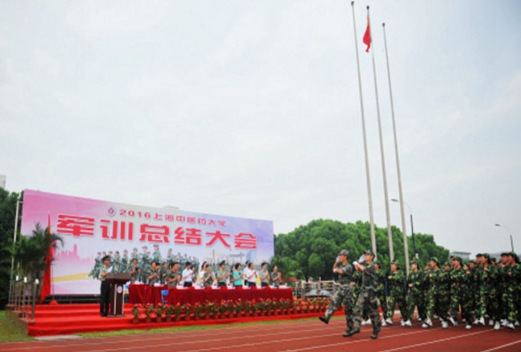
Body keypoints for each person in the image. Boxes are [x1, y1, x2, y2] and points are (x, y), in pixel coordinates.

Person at [318, 249, 356, 336]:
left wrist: (336, 269)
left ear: (345, 257)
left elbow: (341, 272)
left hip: (347, 288)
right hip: (341, 287)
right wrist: (336, 262)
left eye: (341, 255)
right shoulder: (341, 265)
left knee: (348, 309)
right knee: (334, 302)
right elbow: (334, 269)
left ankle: (350, 328)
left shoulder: (348, 266)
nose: (340, 257)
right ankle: (327, 317)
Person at [349, 250, 381, 339]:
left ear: (371, 257)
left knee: (373, 312)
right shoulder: (365, 265)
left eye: (367, 255)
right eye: (365, 254)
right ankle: (356, 327)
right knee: (357, 308)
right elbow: (359, 273)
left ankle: (376, 328)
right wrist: (357, 268)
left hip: (371, 291)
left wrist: (357, 264)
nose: (365, 256)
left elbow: (364, 269)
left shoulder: (372, 266)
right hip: (364, 291)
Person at [387, 261, 411, 326]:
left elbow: (400, 278)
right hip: (393, 292)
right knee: (390, 304)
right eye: (391, 265)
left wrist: (392, 277)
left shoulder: (400, 272)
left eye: (393, 265)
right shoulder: (391, 273)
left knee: (402, 306)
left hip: (400, 292)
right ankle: (389, 318)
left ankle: (405, 319)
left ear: (396, 266)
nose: (392, 266)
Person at [407, 261, 426, 326]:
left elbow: (421, 282)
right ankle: (409, 320)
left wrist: (413, 284)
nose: (412, 266)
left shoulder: (420, 273)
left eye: (413, 264)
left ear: (416, 265)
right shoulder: (411, 273)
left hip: (419, 293)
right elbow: (408, 282)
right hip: (412, 293)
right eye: (411, 265)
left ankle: (424, 320)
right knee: (410, 306)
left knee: (421, 307)